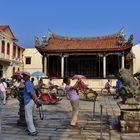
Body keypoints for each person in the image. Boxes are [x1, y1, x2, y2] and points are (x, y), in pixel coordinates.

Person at [22, 72, 41, 136]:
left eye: (24, 76)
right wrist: (36, 100)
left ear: (28, 77)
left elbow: (31, 93)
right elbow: (34, 92)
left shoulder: (27, 83)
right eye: (23, 75)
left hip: (28, 101)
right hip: (31, 101)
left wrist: (36, 100)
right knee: (30, 116)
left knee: (28, 117)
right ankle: (29, 128)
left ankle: (33, 131)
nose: (23, 77)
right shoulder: (30, 83)